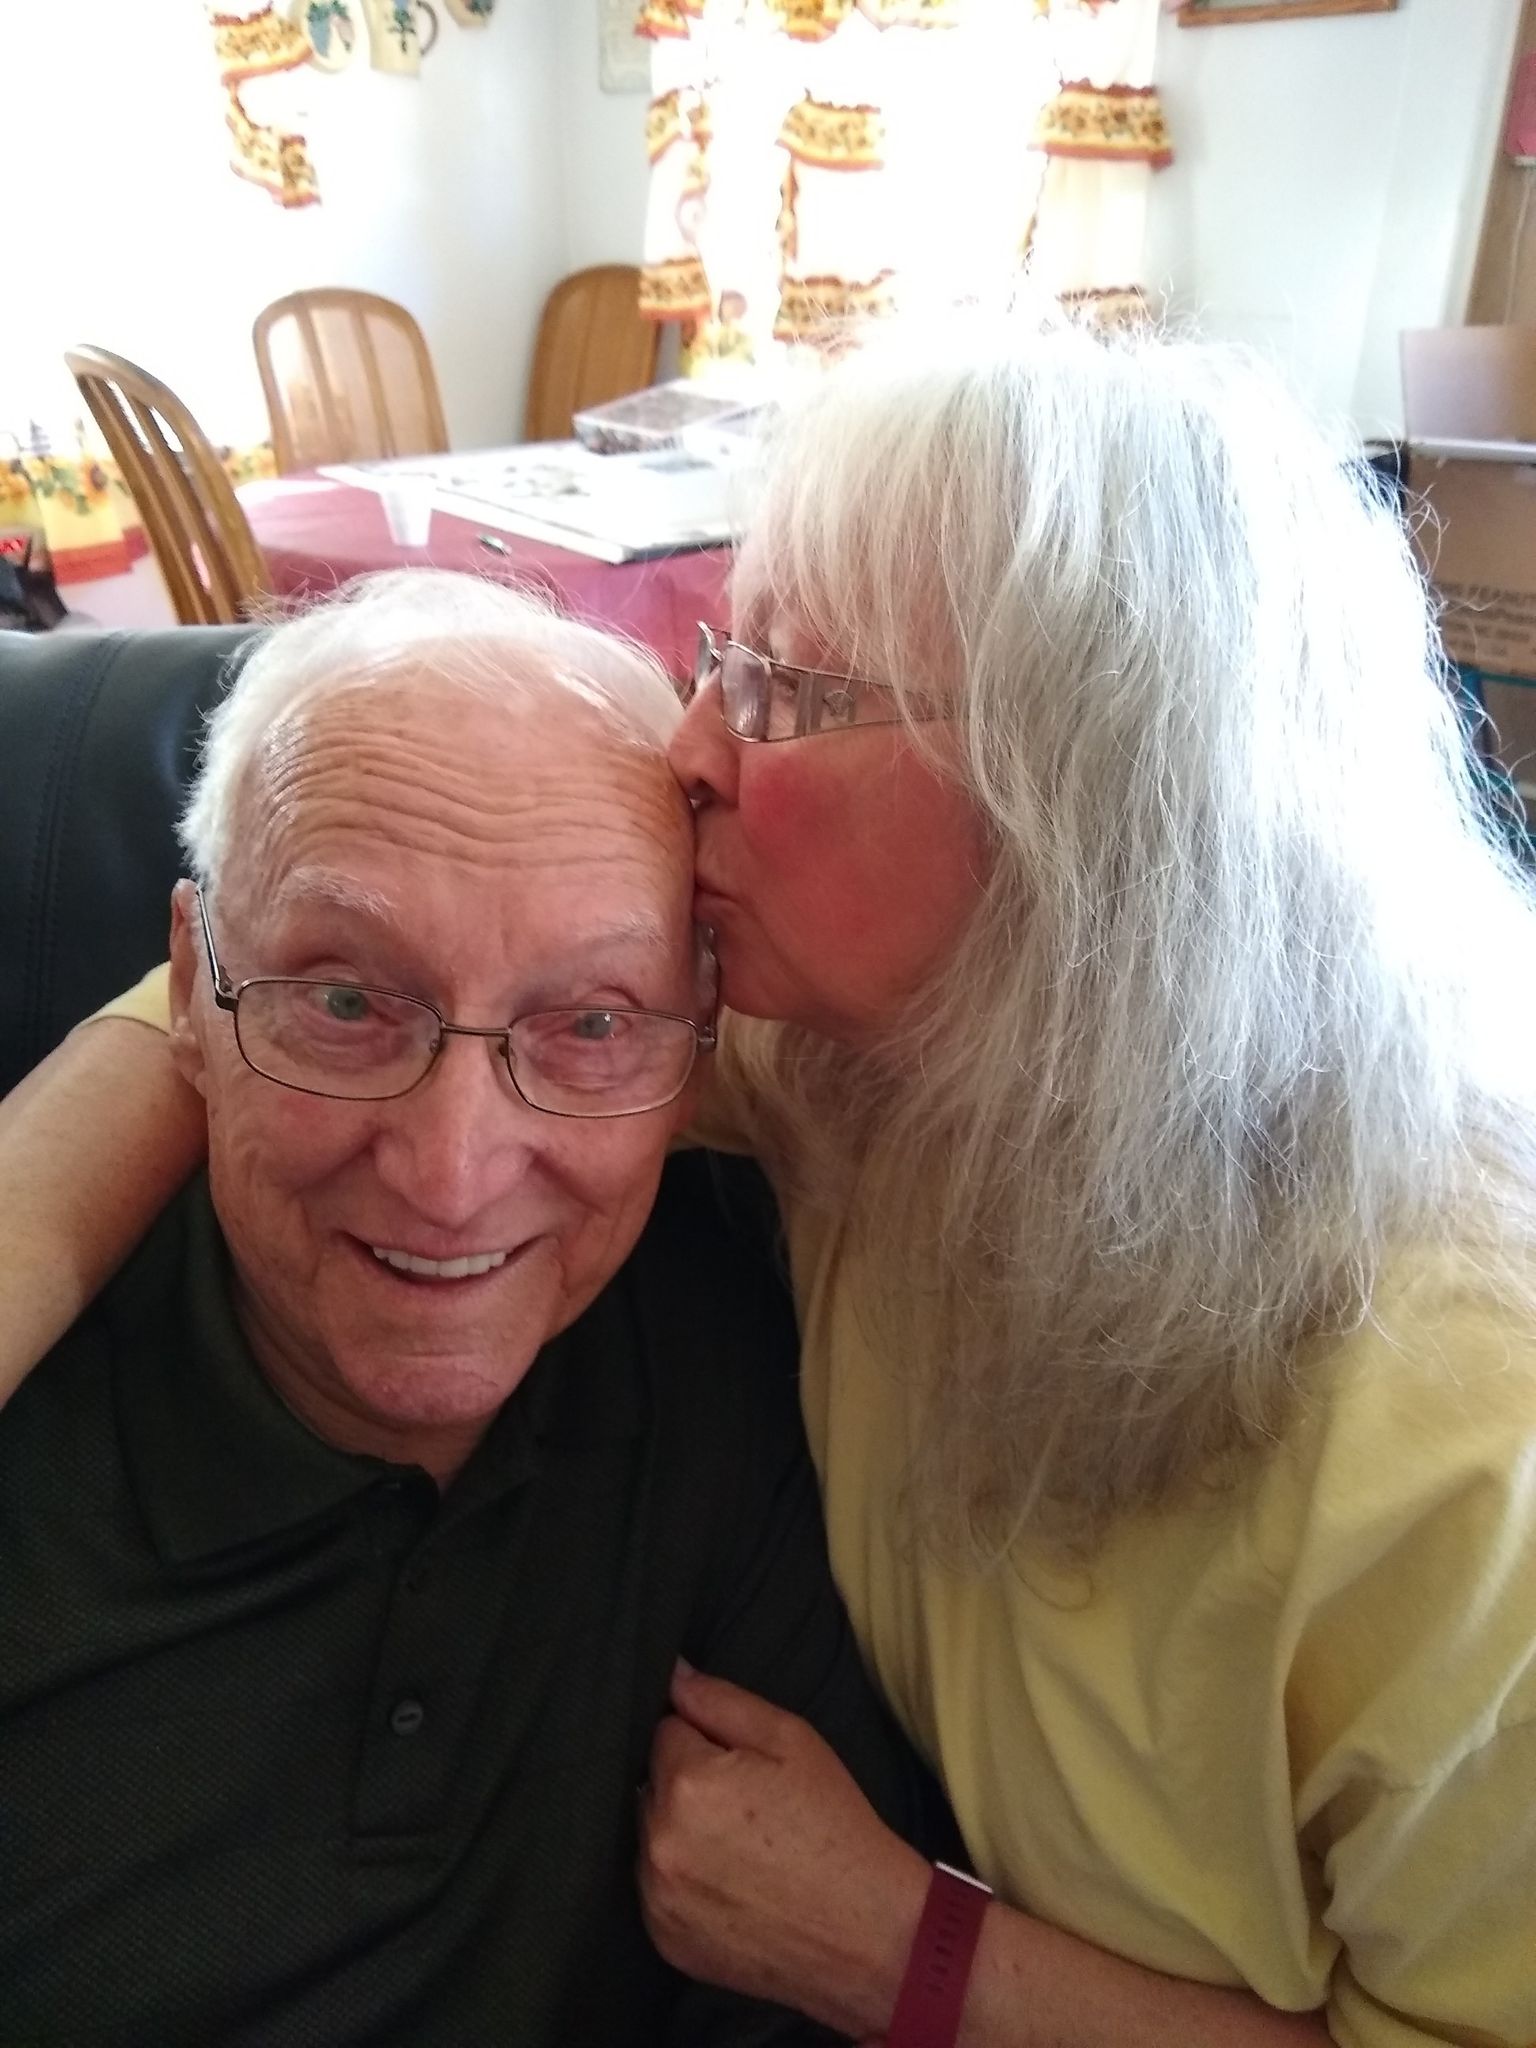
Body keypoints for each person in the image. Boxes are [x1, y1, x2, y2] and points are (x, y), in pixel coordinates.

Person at [4, 318, 1536, 2048]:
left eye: (782, 692)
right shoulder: (851, 1058)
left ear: (1080, 822)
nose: (689, 748)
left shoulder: (1471, 1445)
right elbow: (293, 978)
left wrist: (909, 1955)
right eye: (718, 658)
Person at [0, 572, 926, 2046]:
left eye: (592, 1023)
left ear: (698, 1045)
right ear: (190, 988)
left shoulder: (734, 1348)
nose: (451, 1177)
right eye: (347, 1004)